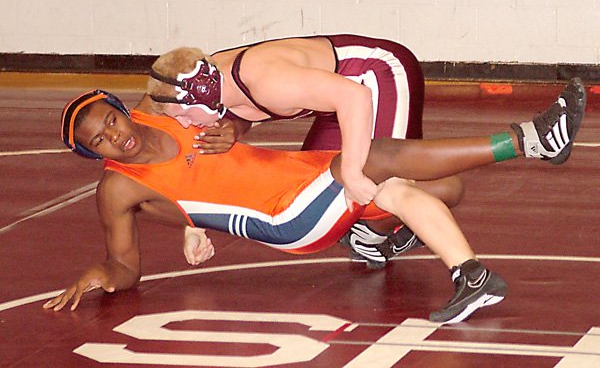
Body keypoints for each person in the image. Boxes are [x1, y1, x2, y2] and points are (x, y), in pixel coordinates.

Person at [44, 79, 585, 324]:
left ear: (121, 110)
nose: (115, 138)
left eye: (110, 122)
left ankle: (429, 260)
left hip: (302, 177)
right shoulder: (118, 187)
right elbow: (124, 263)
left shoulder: (160, 113)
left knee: (440, 190)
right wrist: (102, 275)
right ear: (94, 156)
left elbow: (223, 124)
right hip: (289, 216)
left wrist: (230, 131)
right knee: (379, 156)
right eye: (99, 141)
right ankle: (529, 140)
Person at [143, 36, 453, 267]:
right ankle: (414, 206)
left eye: (183, 114)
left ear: (201, 97)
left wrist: (352, 170)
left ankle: (443, 243)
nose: (183, 123)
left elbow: (354, 97)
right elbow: (205, 166)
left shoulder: (267, 81)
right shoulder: (214, 80)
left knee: (378, 179)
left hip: (373, 78)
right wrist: (192, 227)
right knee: (320, 190)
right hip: (335, 99)